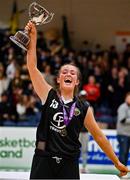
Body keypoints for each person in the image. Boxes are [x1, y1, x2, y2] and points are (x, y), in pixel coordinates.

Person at [25, 21, 129, 179]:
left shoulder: (84, 107)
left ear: (77, 82)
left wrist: (116, 162)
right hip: (43, 160)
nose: (68, 74)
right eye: (64, 72)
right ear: (59, 79)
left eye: (73, 73)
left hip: (69, 163)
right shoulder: (48, 94)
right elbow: (32, 67)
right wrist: (33, 38)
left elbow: (99, 136)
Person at [117, 92, 130, 167]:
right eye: (129, 98)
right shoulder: (122, 107)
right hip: (122, 134)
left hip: (128, 134)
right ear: (126, 98)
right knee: (123, 152)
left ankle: (124, 169)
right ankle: (121, 171)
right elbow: (122, 120)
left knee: (126, 153)